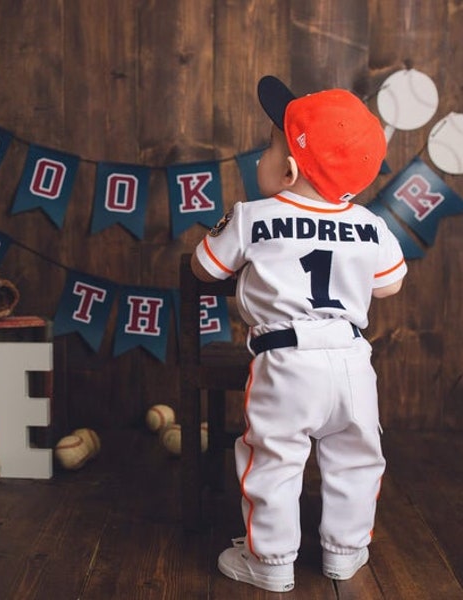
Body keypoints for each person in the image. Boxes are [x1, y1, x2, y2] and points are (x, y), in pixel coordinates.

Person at [191, 75, 407, 593]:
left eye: (268, 147)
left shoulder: (252, 216)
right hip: (352, 360)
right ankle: (345, 554)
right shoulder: (370, 223)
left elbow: (203, 267)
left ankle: (270, 561)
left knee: (275, 459)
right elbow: (390, 285)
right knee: (356, 459)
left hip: (285, 361)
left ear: (288, 169)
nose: (260, 157)